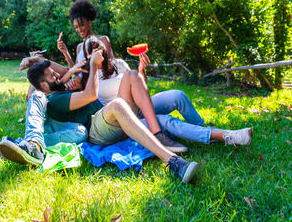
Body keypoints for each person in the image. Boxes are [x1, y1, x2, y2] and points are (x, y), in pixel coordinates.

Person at [24, 50, 200, 183]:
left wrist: (38, 61)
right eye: (52, 76)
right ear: (43, 85)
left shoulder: (57, 88)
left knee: (131, 75)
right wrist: (93, 64)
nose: (58, 75)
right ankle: (172, 162)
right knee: (116, 105)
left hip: (109, 122)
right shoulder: (54, 100)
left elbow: (62, 71)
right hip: (96, 131)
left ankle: (158, 131)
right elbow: (90, 95)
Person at [78, 36, 253, 147]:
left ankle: (200, 128)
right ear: (87, 56)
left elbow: (140, 86)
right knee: (167, 121)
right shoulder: (90, 76)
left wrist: (141, 70)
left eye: (97, 46)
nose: (95, 50)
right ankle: (227, 136)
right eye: (90, 49)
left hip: (140, 106)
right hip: (125, 121)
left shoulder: (119, 64)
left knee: (178, 95)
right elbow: (90, 95)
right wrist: (92, 65)